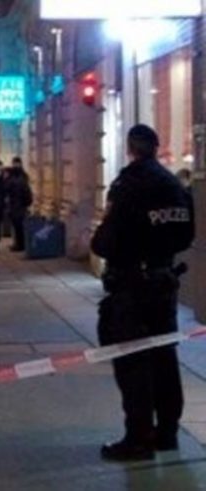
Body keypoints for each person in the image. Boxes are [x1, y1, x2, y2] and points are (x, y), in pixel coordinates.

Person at [91, 124, 195, 462]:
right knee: (164, 358)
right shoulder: (174, 185)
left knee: (132, 362)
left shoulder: (128, 184)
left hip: (132, 286)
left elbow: (106, 241)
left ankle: (138, 438)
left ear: (130, 149)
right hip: (163, 282)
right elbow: (186, 235)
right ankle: (167, 432)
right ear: (156, 147)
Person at [6, 157, 33, 252]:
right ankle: (19, 244)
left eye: (16, 163)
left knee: (18, 226)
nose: (15, 165)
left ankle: (20, 245)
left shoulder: (15, 178)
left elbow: (8, 188)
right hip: (18, 205)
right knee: (18, 226)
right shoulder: (22, 176)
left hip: (17, 205)